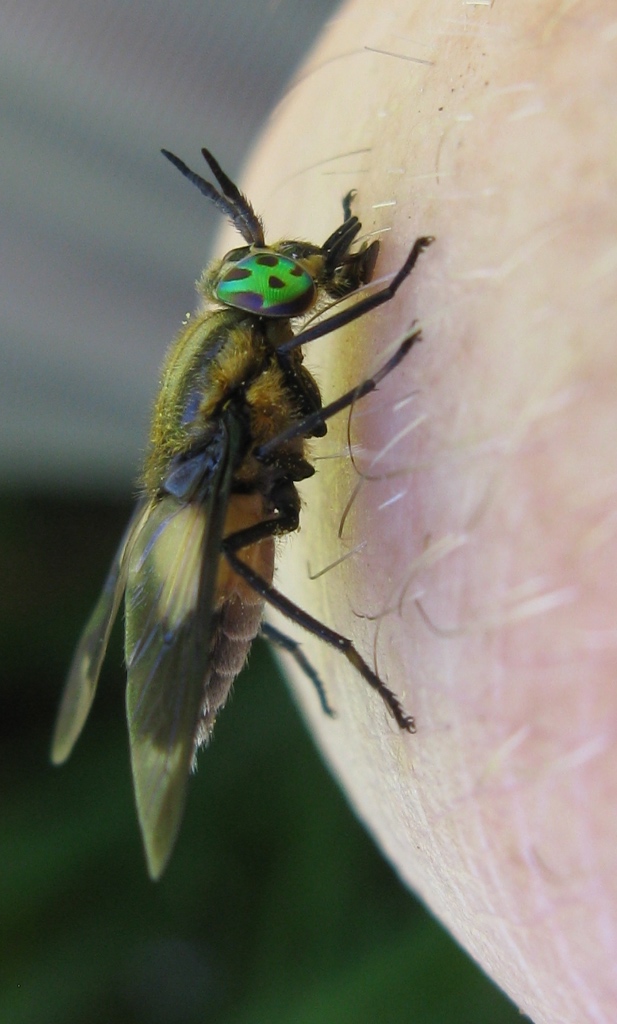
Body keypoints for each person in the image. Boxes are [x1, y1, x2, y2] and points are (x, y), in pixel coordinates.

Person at [241, 1, 617, 1021]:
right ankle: (347, 661)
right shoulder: (243, 382)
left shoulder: (251, 345)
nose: (288, 277)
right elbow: (283, 435)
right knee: (238, 541)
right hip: (234, 545)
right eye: (273, 277)